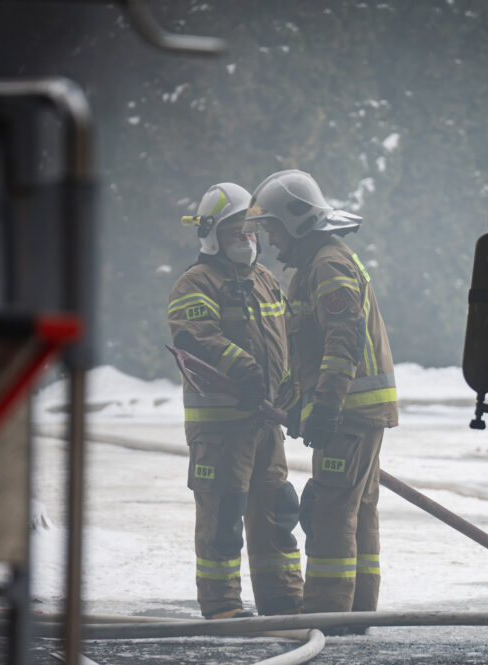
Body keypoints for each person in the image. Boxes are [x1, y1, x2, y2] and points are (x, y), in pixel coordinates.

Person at [245, 170, 398, 616]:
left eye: (273, 229)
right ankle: (357, 610)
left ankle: (327, 614)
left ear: (295, 223)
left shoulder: (327, 265)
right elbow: (308, 355)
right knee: (357, 511)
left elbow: (341, 342)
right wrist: (297, 405)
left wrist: (327, 408)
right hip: (355, 414)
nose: (271, 242)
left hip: (347, 415)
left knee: (330, 512)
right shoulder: (317, 264)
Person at [168, 182, 303, 619]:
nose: (246, 238)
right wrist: (244, 369)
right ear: (212, 234)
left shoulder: (265, 280)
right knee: (223, 517)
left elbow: (285, 341)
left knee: (276, 513)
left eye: (250, 230)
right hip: (221, 430)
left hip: (266, 424)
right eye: (235, 231)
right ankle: (222, 605)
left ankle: (283, 599)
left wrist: (291, 391)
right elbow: (197, 336)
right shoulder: (196, 283)